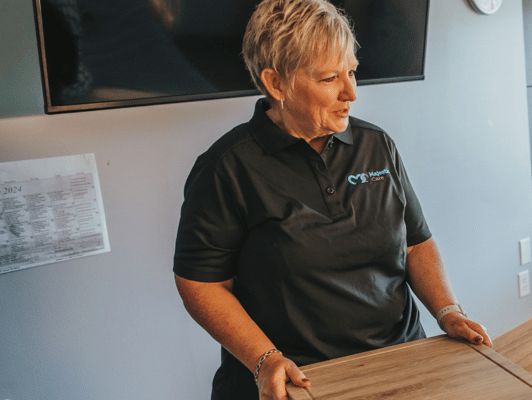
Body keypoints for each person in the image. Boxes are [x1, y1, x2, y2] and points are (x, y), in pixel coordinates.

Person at [172, 1, 491, 399]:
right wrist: (264, 358)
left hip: (400, 364)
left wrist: (448, 312)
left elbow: (415, 243)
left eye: (352, 71)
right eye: (329, 78)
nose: (351, 93)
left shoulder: (376, 146)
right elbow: (200, 283)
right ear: (277, 84)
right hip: (300, 382)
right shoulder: (226, 168)